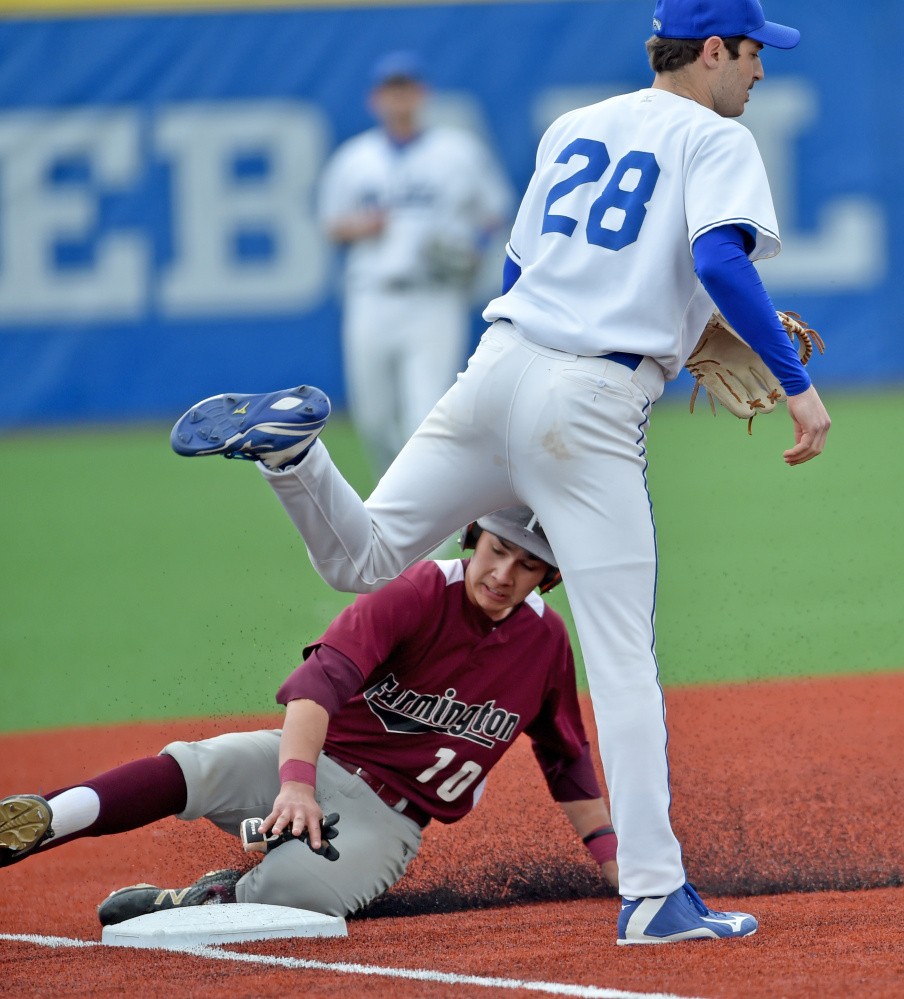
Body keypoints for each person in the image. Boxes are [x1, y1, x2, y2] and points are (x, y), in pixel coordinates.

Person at [167, 0, 831, 944]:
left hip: (498, 363)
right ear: (714, 50)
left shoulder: (574, 125)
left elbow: (524, 270)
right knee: (623, 660)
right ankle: (654, 895)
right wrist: (796, 383)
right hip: (592, 398)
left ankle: (293, 455)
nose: (761, 72)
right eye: (756, 53)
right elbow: (719, 257)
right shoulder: (716, 136)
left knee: (364, 557)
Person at [0, 508, 619, 924]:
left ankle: (212, 897)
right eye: (498, 550)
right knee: (194, 768)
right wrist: (296, 785)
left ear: (549, 577)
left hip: (389, 820)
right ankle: (48, 818)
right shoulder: (416, 591)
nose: (504, 575)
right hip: (315, 758)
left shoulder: (546, 645)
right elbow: (317, 685)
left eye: (527, 565)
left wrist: (616, 861)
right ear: (473, 537)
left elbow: (566, 758)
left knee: (292, 898)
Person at [319, 50, 514, 477]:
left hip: (434, 295)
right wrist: (359, 227)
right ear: (375, 100)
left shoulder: (458, 151)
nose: (399, 98)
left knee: (423, 416)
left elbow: (494, 210)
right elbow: (331, 225)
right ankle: (399, 506)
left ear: (423, 94)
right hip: (371, 295)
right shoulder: (353, 159)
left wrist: (474, 246)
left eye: (406, 88)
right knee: (374, 419)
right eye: (391, 90)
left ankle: (427, 513)